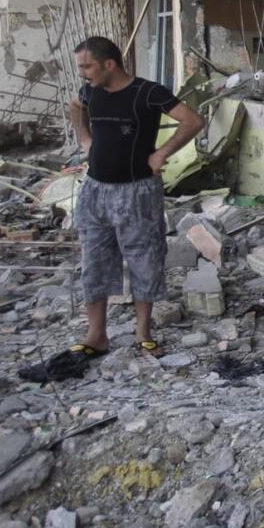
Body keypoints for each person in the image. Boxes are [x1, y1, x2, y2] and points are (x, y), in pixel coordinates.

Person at [64, 36, 205, 360]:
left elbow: (193, 120)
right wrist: (85, 139)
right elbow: (75, 107)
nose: (83, 73)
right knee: (95, 262)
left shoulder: (148, 92)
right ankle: (96, 335)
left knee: (145, 259)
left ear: (108, 64)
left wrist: (162, 153)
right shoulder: (90, 92)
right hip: (95, 191)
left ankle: (143, 332)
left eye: (87, 66)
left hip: (137, 191)